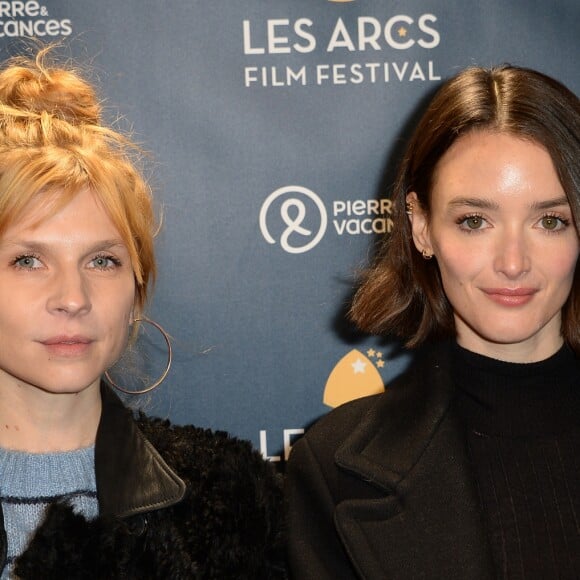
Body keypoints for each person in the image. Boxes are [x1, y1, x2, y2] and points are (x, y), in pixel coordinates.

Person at [0, 47, 286, 579]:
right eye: (28, 260)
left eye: (102, 260)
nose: (73, 297)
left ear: (137, 281)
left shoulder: (233, 497)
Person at [286, 64, 580, 579]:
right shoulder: (334, 472)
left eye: (550, 220)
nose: (513, 261)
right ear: (421, 227)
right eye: (474, 221)